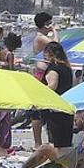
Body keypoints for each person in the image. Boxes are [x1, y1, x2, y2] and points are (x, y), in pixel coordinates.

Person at [30, 12, 57, 148]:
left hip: (43, 72)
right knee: (38, 109)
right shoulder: (40, 37)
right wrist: (55, 31)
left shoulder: (41, 37)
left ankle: (41, 140)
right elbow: (56, 44)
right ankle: (37, 142)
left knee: (44, 108)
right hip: (41, 73)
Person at [41, 42, 74, 149]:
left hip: (54, 107)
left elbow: (53, 86)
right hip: (67, 105)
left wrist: (38, 91)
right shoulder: (67, 68)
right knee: (66, 141)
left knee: (55, 141)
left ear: (50, 54)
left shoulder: (54, 68)